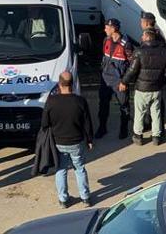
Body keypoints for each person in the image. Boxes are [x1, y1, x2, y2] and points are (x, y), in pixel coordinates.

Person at [41, 71, 94, 208]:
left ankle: (63, 199)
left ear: (59, 84)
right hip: (77, 142)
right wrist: (89, 140)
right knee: (80, 168)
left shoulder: (51, 101)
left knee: (61, 169)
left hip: (58, 142)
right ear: (73, 84)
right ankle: (85, 197)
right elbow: (87, 123)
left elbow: (45, 123)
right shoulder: (80, 101)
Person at [120, 28, 166, 146]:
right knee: (156, 112)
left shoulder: (139, 51)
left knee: (139, 112)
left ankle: (138, 136)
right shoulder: (164, 51)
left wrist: (124, 81)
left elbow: (132, 70)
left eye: (143, 36)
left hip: (142, 88)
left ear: (147, 37)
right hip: (157, 87)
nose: (141, 37)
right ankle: (156, 137)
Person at [95, 19, 133, 140]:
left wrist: (125, 81)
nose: (104, 29)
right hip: (106, 79)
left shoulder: (126, 44)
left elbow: (132, 65)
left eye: (107, 27)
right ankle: (102, 128)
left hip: (119, 82)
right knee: (103, 105)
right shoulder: (106, 40)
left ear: (114, 29)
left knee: (124, 105)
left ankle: (124, 129)